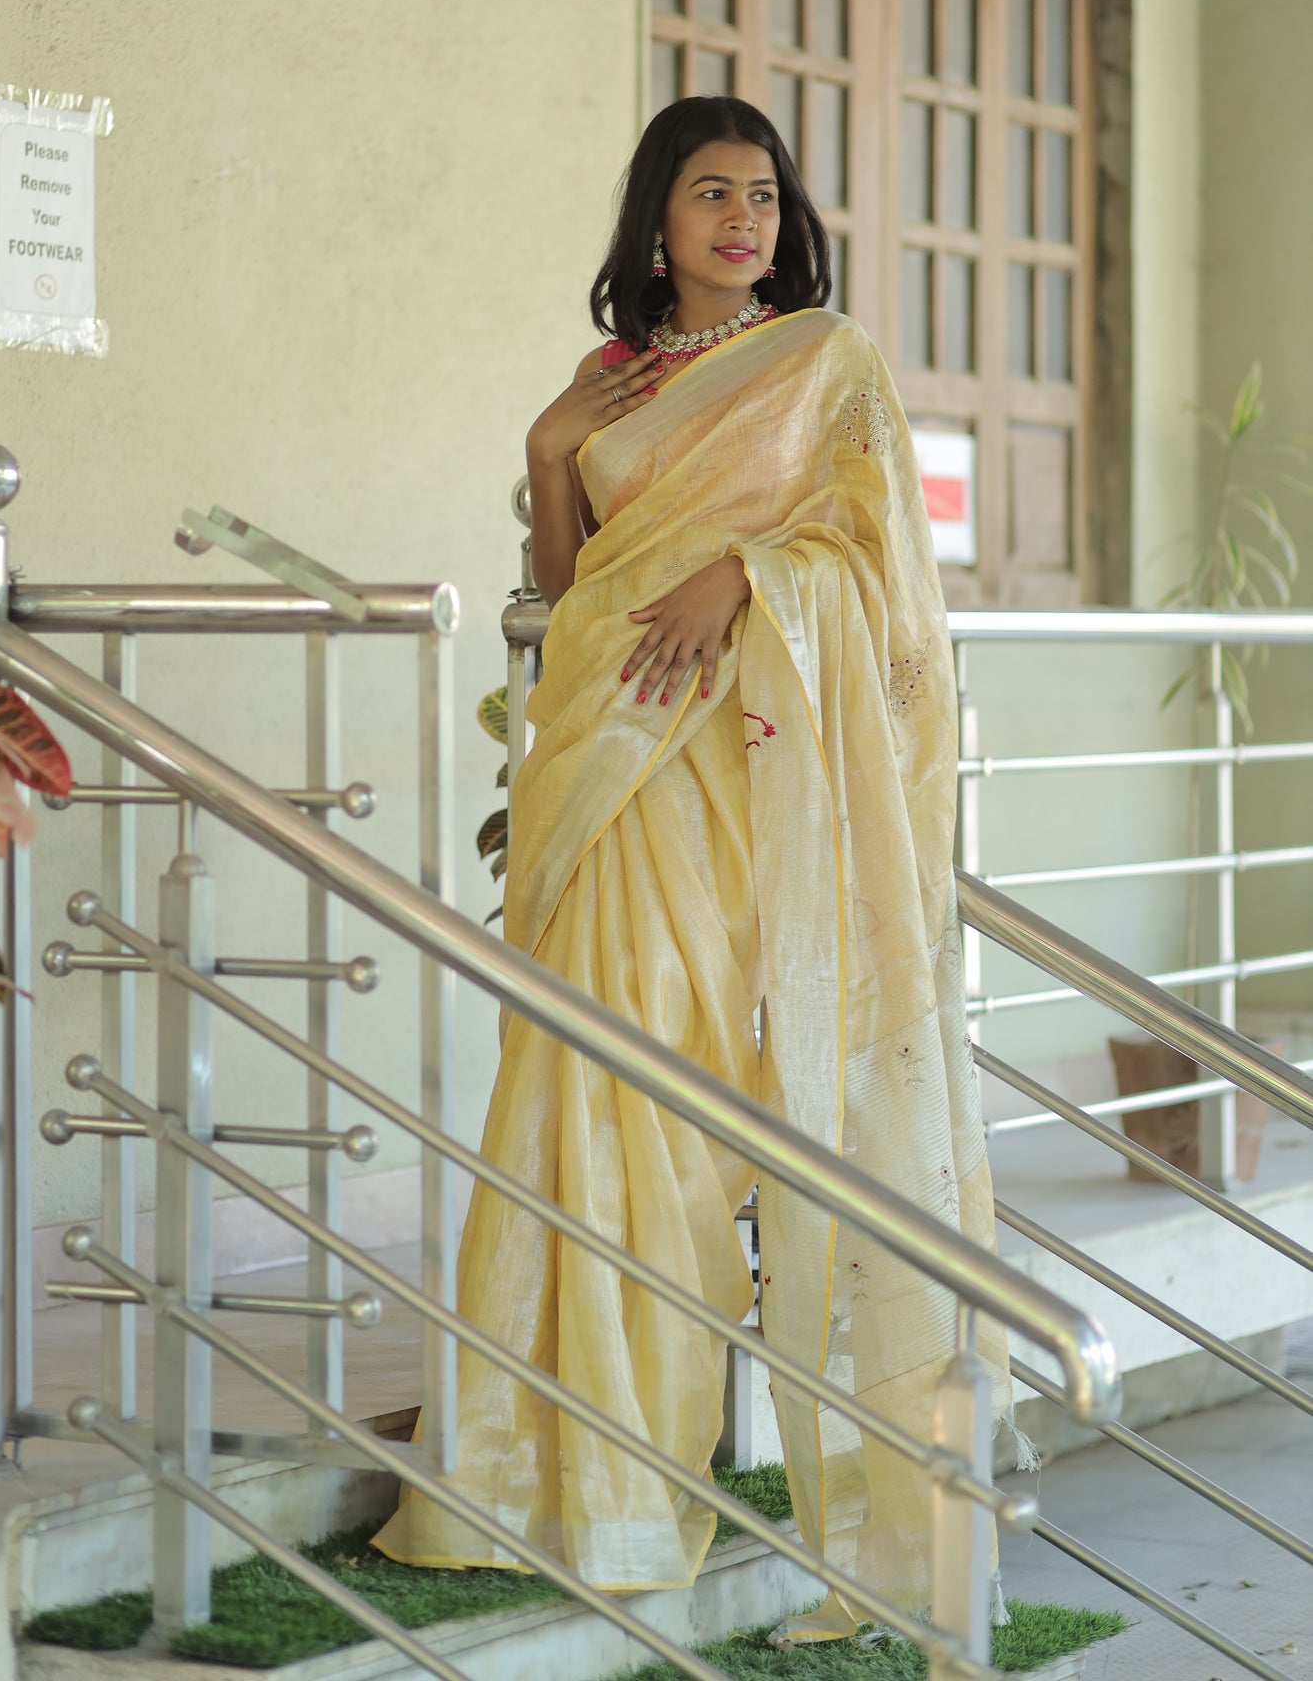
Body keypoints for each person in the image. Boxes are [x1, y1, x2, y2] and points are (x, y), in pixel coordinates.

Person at [374, 96, 1009, 1638]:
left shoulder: (821, 362)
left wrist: (749, 571)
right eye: (710, 194)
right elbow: (563, 591)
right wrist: (548, 456)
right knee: (585, 1092)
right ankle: (568, 1472)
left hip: (750, 778)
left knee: (682, 1099)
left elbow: (883, 568)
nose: (743, 220)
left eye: (765, 196)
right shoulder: (603, 389)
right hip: (608, 770)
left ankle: (685, 1473)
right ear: (653, 221)